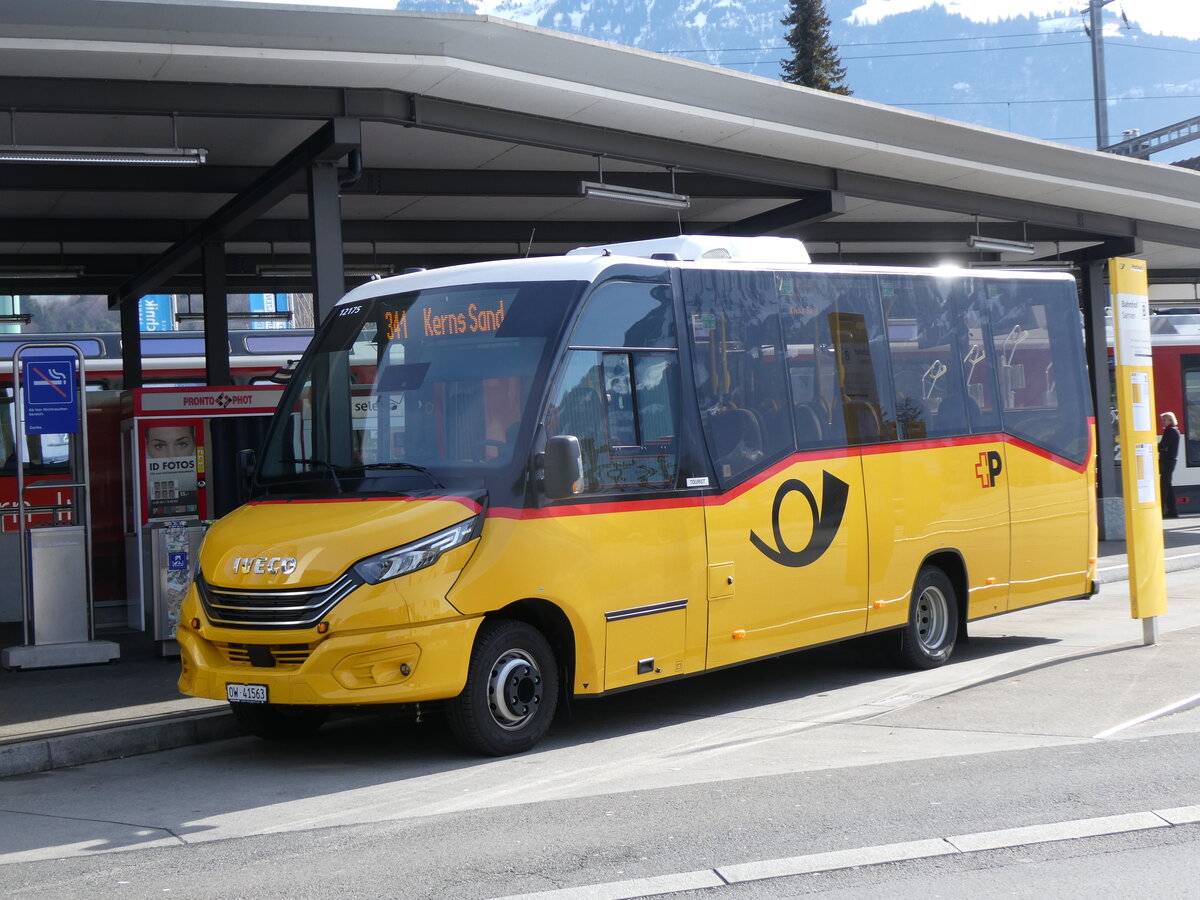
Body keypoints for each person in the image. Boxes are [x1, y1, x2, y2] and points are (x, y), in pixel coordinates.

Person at [1159, 411, 1180, 519]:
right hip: (1169, 461)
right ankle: (1173, 511)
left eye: (1164, 420)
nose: (1162, 422)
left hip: (1167, 462)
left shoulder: (1170, 431)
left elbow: (1162, 445)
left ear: (1170, 420)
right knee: (1168, 486)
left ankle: (1163, 510)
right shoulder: (1172, 430)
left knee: (1164, 486)